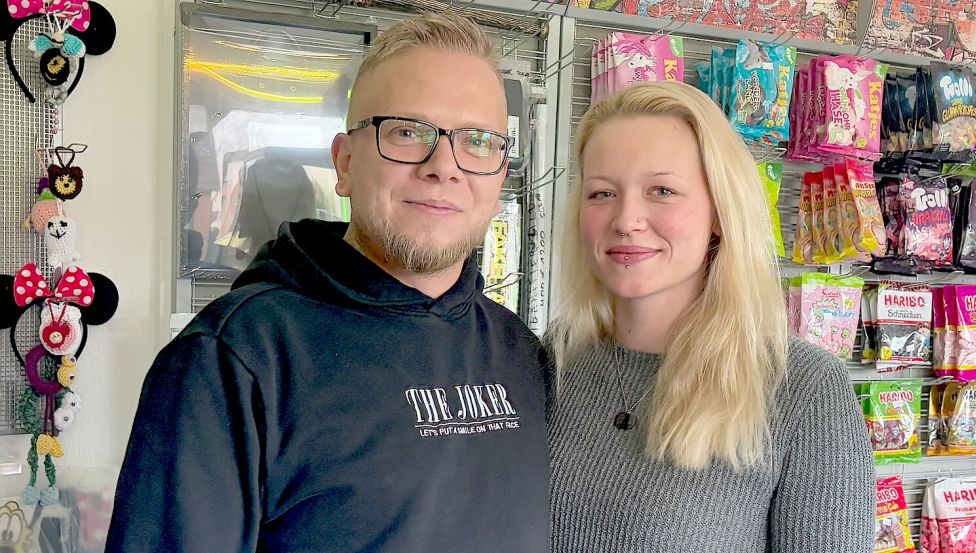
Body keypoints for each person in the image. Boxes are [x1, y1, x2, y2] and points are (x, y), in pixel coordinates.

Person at [107, 11, 549, 553]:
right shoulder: (234, 360)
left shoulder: (522, 354)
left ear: (501, 170)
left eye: (478, 140)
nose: (444, 166)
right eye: (407, 132)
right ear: (344, 162)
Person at [547, 81, 875, 552]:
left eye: (661, 190)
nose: (626, 219)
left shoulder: (801, 388)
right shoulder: (556, 357)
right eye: (602, 193)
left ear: (719, 212)